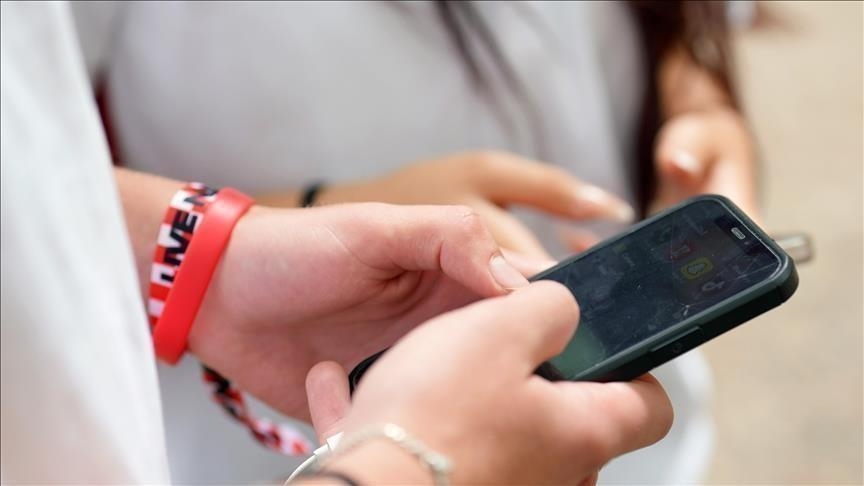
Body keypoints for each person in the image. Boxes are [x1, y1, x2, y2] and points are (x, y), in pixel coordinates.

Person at [70, 1, 758, 483]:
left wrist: (700, 104)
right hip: (264, 436)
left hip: (621, 429)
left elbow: (681, 25)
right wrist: (309, 216)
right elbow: (31, 207)